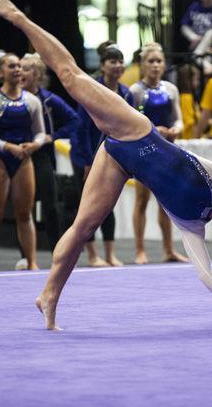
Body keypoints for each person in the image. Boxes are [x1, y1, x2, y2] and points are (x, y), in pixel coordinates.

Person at [0, 0, 212, 330]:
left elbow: (205, 272)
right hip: (134, 130)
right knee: (70, 75)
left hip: (120, 161)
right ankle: (20, 18)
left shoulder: (190, 223)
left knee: (83, 228)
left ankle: (48, 297)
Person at [0, 50, 46, 271]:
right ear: (0, 72)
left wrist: (35, 144)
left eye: (19, 66)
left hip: (23, 159)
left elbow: (40, 132)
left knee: (25, 214)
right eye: (11, 66)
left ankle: (32, 261)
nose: (17, 69)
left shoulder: (32, 101)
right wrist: (6, 146)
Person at [70, 44, 130, 267]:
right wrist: (87, 161)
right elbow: (81, 128)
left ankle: (110, 253)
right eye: (112, 61)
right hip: (84, 155)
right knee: (87, 205)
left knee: (108, 204)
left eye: (120, 61)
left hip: (112, 156)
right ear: (103, 65)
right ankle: (93, 254)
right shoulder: (92, 89)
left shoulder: (126, 93)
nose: (117, 65)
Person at [129, 43, 187, 265]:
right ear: (143, 65)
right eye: (150, 61)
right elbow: (133, 121)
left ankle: (168, 249)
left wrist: (177, 129)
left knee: (167, 201)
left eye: (159, 61)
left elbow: (178, 117)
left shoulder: (171, 89)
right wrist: (154, 129)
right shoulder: (135, 91)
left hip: (167, 148)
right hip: (145, 149)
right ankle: (140, 250)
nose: (155, 65)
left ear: (164, 65)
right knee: (142, 200)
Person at [20, 52, 80, 252]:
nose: (21, 72)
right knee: (23, 208)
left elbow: (75, 120)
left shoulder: (48, 100)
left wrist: (51, 136)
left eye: (27, 68)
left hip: (42, 155)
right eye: (19, 67)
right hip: (17, 155)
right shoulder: (10, 97)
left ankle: (58, 250)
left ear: (37, 74)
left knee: (50, 205)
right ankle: (25, 255)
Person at [176, 63, 201, 139]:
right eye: (196, 79)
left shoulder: (187, 96)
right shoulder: (186, 97)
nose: (198, 83)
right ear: (188, 80)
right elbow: (188, 122)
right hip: (188, 138)